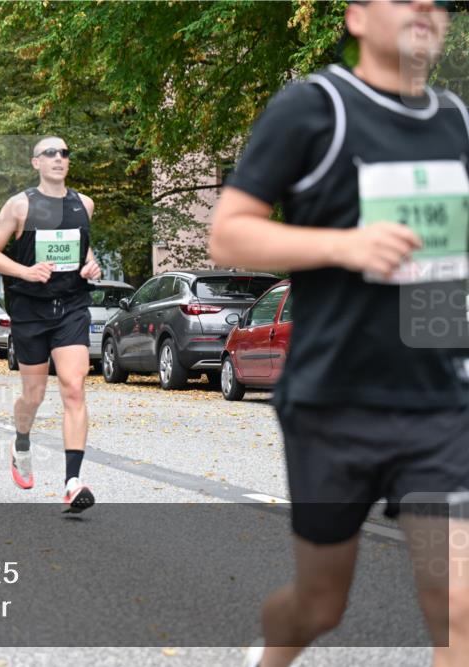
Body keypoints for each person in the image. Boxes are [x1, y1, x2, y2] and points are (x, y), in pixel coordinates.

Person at [209, 2, 468, 665]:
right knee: (321, 604)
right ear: (355, 16)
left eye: (436, 3)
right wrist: (347, 246)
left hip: (438, 405)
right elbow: (228, 232)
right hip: (334, 402)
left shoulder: (455, 122)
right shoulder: (312, 108)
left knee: (459, 607)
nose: (424, 10)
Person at [0, 136, 102, 513]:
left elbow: (83, 248)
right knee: (33, 395)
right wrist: (26, 272)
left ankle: (72, 481)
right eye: (50, 153)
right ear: (36, 163)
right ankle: (20, 442)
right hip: (30, 311)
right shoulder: (19, 206)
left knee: (73, 387)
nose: (59, 158)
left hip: (71, 307)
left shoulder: (84, 204)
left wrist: (92, 266)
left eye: (64, 153)